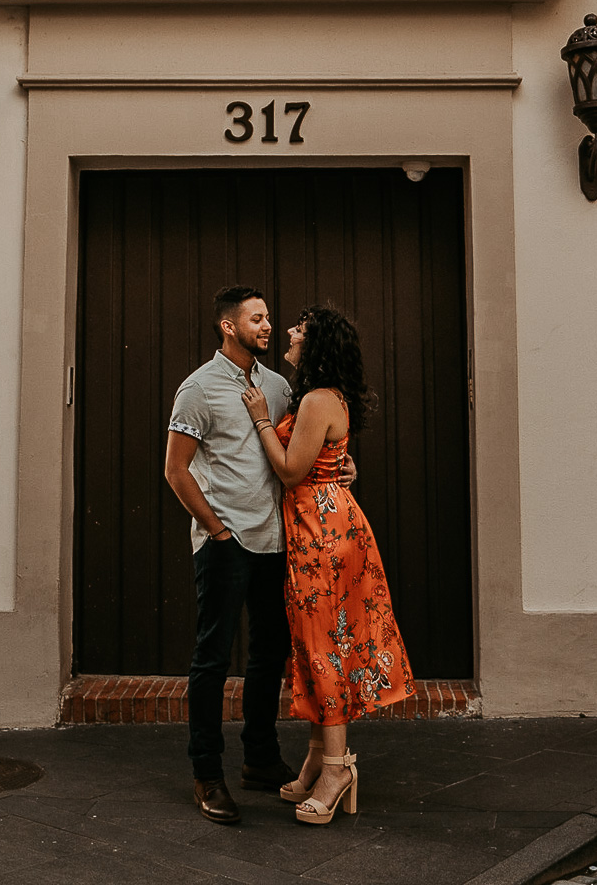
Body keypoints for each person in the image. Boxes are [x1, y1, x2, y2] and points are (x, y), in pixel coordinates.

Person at [164, 286, 355, 825]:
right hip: (227, 544)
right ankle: (207, 774)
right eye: (257, 319)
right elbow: (175, 470)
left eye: (270, 318)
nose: (268, 326)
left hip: (279, 543)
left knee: (269, 657)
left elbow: (308, 450)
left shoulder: (277, 387)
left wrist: (344, 467)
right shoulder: (198, 389)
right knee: (213, 658)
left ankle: (261, 759)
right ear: (228, 326)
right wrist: (215, 529)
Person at [241, 305, 413, 826]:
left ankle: (337, 769)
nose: (289, 333)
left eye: (300, 329)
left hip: (322, 533)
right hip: (324, 525)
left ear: (315, 346)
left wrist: (261, 420)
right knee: (319, 642)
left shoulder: (316, 399)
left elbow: (293, 471)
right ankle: (320, 755)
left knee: (325, 647)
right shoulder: (321, 397)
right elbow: (326, 459)